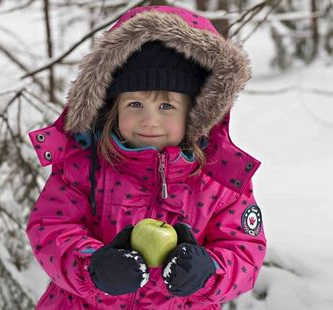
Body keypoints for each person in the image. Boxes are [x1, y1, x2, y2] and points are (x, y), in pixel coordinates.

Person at [27, 5, 267, 310]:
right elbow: (50, 227)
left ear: (196, 113)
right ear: (112, 107)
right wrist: (93, 266)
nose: (149, 121)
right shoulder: (85, 166)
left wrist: (208, 271)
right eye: (136, 104)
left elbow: (245, 249)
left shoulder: (219, 179)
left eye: (166, 106)